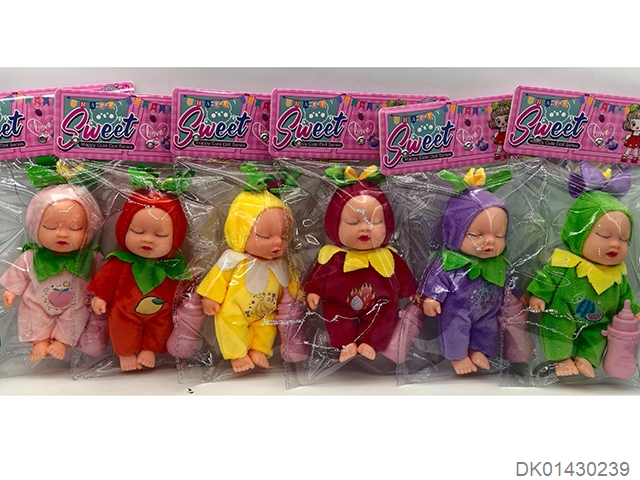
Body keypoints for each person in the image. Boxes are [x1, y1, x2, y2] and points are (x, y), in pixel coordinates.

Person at [528, 163, 640, 378]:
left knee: (597, 335)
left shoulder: (616, 275)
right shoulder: (566, 264)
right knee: (558, 326)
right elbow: (548, 278)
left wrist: (634, 310)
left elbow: (625, 297)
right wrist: (538, 296)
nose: (615, 244)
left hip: (599, 321)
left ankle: (586, 358)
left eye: (623, 239)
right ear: (578, 233)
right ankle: (560, 359)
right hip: (564, 312)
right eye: (605, 236)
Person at [305, 165, 417, 363]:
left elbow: (403, 275)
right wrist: (313, 291)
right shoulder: (332, 256)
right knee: (336, 315)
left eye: (375, 222)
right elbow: (319, 275)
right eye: (352, 223)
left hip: (379, 303)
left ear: (387, 224)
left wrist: (411, 292)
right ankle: (346, 343)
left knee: (384, 315)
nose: (365, 228)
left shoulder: (388, 257)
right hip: (340, 303)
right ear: (335, 224)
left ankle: (371, 342)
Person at [419, 167, 523, 375]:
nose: (490, 241)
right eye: (477, 235)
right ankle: (457, 356)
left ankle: (478, 350)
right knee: (454, 328)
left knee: (488, 328)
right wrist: (432, 298)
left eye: (499, 235)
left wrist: (519, 295)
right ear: (454, 232)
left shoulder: (498, 264)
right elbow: (436, 279)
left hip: (487, 309)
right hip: (457, 309)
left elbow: (509, 281)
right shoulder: (451, 262)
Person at [1, 183, 102, 361]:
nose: (62, 234)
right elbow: (18, 274)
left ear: (88, 230)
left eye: (74, 228)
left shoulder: (90, 258)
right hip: (38, 302)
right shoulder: (31, 257)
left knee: (77, 315)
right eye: (51, 227)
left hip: (76, 304)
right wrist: (11, 291)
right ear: (35, 227)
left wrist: (101, 295)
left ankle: (62, 342)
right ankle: (39, 341)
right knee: (32, 311)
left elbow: (105, 277)